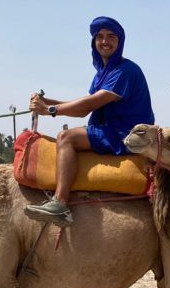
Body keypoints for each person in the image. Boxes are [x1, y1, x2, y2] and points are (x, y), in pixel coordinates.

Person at [24, 16, 154, 226]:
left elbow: (87, 106)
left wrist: (50, 110)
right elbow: (84, 105)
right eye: (99, 37)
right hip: (111, 129)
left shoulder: (124, 71)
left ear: (120, 42)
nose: (104, 41)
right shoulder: (103, 74)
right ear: (94, 42)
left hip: (125, 134)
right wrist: (47, 102)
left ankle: (60, 203)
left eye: (111, 37)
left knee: (66, 137)